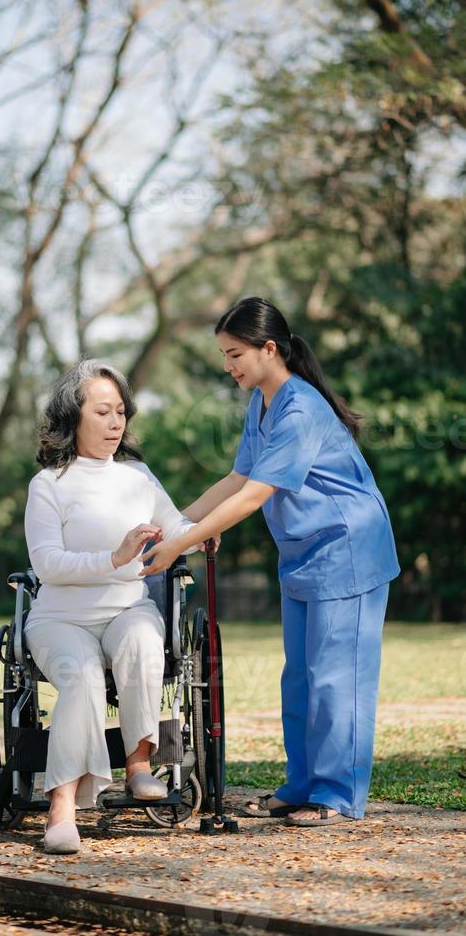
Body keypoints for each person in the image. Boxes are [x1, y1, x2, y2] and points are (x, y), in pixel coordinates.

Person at [141, 296, 400, 827]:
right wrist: (171, 525)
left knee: (335, 679)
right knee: (300, 680)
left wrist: (183, 544)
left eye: (235, 353)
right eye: (223, 355)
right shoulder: (262, 403)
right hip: (304, 556)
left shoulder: (300, 408)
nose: (229, 365)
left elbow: (254, 496)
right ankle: (302, 784)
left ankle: (335, 795)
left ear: (269, 348)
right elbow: (236, 479)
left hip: (347, 551)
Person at [24, 360, 197, 854]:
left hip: (127, 608)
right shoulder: (48, 485)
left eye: (121, 411)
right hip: (61, 618)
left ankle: (139, 765)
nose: (116, 422)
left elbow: (178, 525)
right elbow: (48, 564)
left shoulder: (138, 476)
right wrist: (116, 557)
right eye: (103, 411)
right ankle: (61, 808)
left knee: (145, 638)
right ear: (73, 418)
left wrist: (203, 532)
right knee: (79, 677)